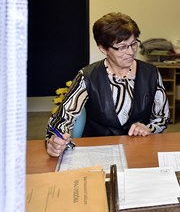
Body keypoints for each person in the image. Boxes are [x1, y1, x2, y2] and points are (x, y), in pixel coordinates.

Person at [46, 12, 170, 157]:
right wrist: (54, 142)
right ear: (103, 49)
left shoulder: (151, 73)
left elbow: (162, 118)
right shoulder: (87, 76)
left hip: (138, 149)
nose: (131, 52)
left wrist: (148, 128)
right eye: (122, 47)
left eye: (133, 44)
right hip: (97, 151)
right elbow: (62, 119)